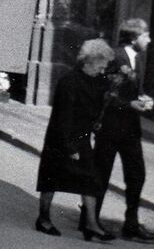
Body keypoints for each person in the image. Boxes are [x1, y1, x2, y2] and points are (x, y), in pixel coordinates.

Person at [35, 38, 115, 241]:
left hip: (82, 137)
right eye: (101, 64)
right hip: (61, 138)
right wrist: (70, 147)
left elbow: (99, 103)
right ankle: (43, 219)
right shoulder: (68, 82)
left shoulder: (96, 81)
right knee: (50, 180)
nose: (103, 68)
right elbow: (63, 117)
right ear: (88, 61)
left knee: (90, 180)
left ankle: (91, 225)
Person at [94, 19, 154, 243]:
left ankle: (131, 223)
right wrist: (129, 104)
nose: (149, 39)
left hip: (130, 129)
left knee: (136, 174)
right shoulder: (116, 57)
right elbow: (104, 94)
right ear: (133, 37)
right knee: (101, 173)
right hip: (110, 128)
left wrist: (143, 99)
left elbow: (133, 91)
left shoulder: (138, 60)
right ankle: (90, 220)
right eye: (145, 35)